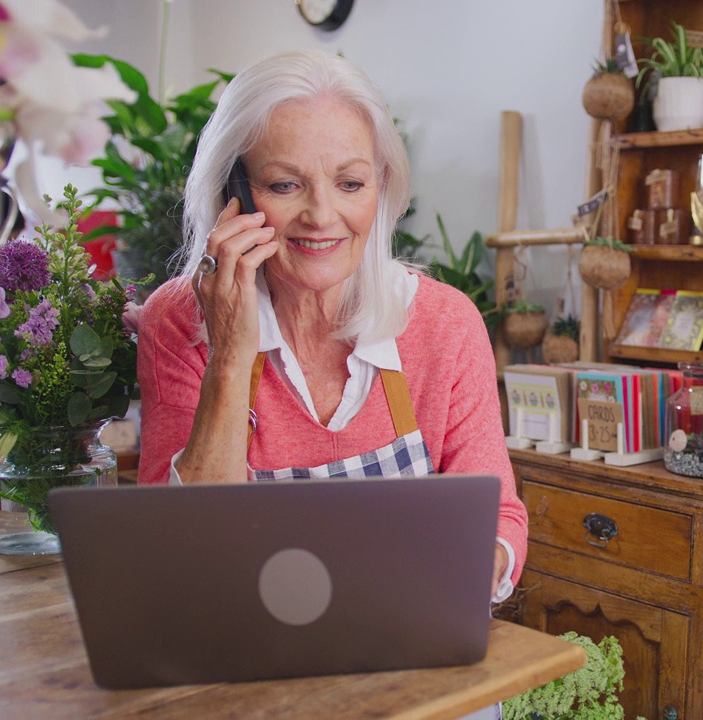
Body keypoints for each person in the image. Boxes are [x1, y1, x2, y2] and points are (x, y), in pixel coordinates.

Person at [136, 49, 526, 603]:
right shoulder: (178, 323)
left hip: (411, 632)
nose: (322, 216)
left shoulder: (446, 323)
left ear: (382, 188)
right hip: (244, 647)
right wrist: (229, 352)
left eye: (350, 184)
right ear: (234, 197)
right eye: (285, 185)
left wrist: (475, 566)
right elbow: (180, 551)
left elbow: (500, 515)